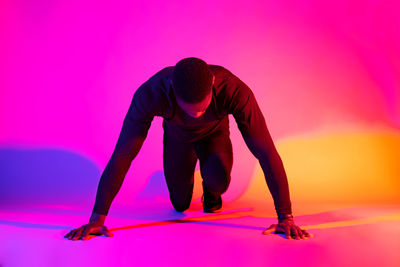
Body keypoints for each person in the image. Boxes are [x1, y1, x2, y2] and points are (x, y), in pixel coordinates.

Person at [64, 57, 313, 241]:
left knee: (217, 181)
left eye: (202, 109)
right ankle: (183, 183)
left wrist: (285, 217)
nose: (196, 115)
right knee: (180, 204)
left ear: (213, 84)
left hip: (215, 136)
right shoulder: (151, 94)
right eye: (189, 110)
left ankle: (211, 192)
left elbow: (266, 151)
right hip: (177, 140)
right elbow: (124, 154)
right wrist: (97, 218)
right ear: (172, 87)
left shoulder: (234, 91)